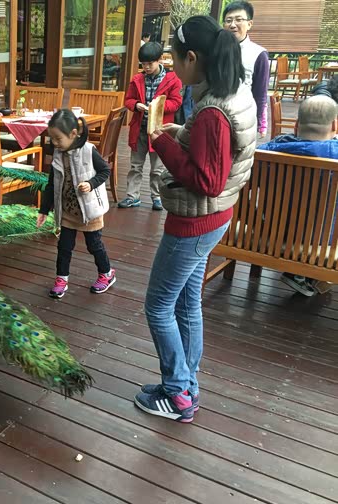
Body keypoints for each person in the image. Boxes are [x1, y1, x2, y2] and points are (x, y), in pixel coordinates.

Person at [134, 16, 257, 422]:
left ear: (192, 58)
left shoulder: (212, 111)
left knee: (158, 306)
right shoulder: (231, 89)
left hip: (195, 222)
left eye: (174, 59)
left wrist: (161, 141)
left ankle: (178, 395)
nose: (172, 67)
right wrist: (181, 133)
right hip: (215, 217)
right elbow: (215, 152)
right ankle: (185, 384)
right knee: (187, 303)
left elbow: (207, 180)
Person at [258, 95, 338, 296]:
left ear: (296, 125)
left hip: (273, 232)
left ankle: (302, 275)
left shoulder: (267, 152)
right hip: (324, 240)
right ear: (335, 125)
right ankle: (313, 274)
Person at [37, 109, 115, 298]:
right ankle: (61, 279)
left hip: (89, 210)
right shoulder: (58, 154)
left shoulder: (88, 151)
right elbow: (51, 183)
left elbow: (105, 171)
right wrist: (44, 209)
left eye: (58, 138)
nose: (54, 143)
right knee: (64, 247)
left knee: (94, 245)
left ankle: (107, 273)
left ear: (73, 134)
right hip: (68, 211)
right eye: (52, 138)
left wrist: (91, 183)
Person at [120, 42, 182, 210]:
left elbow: (176, 102)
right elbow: (128, 100)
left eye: (150, 63)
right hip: (139, 128)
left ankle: (157, 197)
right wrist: (136, 105)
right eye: (143, 64)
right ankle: (132, 196)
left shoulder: (172, 79)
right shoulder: (137, 79)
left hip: (160, 130)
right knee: (135, 166)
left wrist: (158, 106)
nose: (146, 67)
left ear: (159, 59)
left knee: (157, 168)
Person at [223, 1, 269, 137]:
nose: (232, 25)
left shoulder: (258, 54)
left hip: (243, 118)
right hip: (216, 113)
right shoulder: (215, 50)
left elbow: (260, 93)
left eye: (238, 20)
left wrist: (260, 123)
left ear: (249, 24)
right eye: (228, 21)